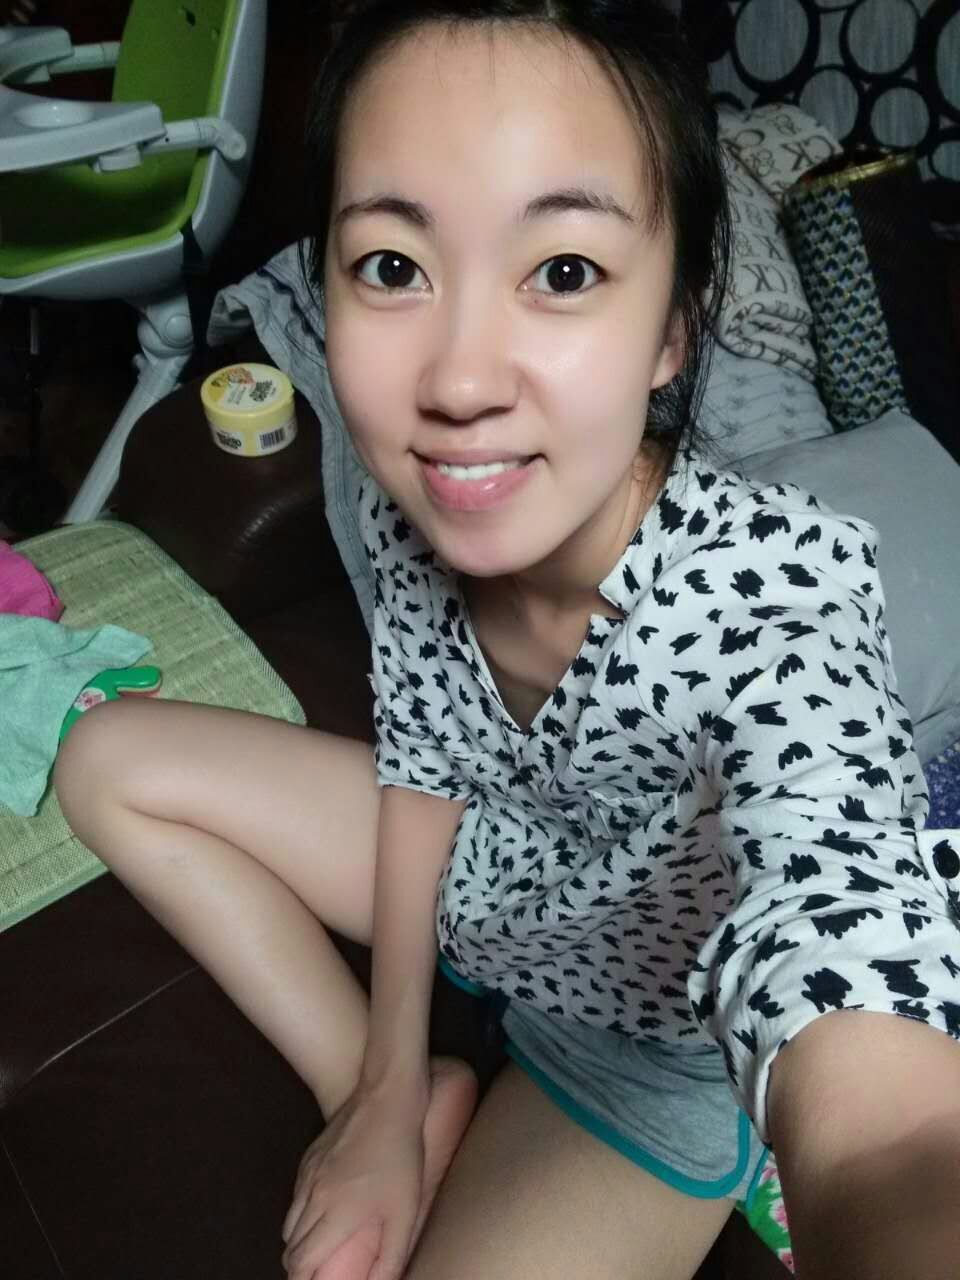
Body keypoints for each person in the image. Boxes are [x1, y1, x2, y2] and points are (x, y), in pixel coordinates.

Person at [54, 2, 960, 1278]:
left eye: (565, 272)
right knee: (105, 760)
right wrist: (379, 1086)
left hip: (642, 1039)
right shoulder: (425, 503)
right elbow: (424, 761)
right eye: (392, 266)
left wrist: (896, 1169)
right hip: (492, 882)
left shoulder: (781, 598)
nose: (459, 382)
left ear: (673, 327)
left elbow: (872, 1040)